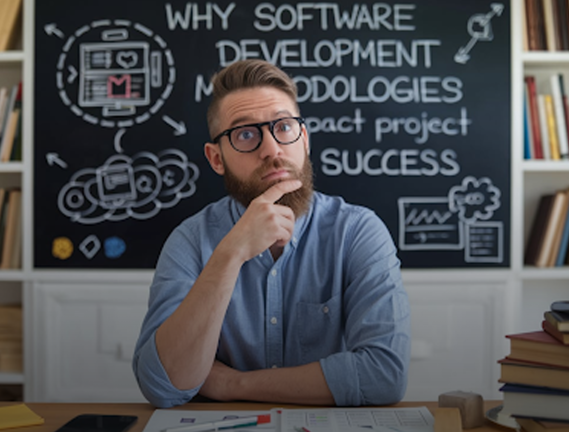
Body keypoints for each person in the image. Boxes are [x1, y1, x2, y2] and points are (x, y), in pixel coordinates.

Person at [132, 59, 410, 408]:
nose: (272, 149)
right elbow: (162, 386)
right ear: (216, 159)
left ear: (304, 139)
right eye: (245, 134)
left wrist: (231, 384)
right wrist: (231, 254)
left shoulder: (357, 232)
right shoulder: (190, 240)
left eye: (284, 127)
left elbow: (384, 377)